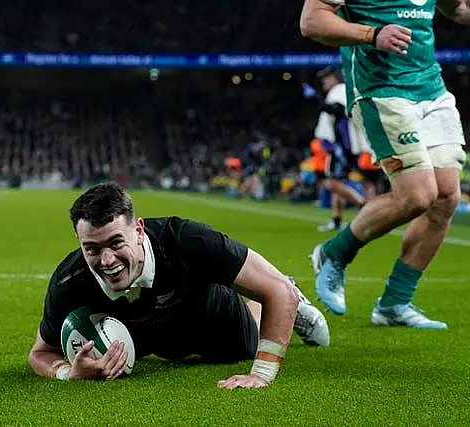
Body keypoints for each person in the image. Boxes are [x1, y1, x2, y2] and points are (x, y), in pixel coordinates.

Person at [29, 183, 330, 388]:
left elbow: (278, 293)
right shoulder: (69, 280)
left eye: (116, 242)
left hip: (208, 314)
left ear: (138, 230)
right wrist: (69, 372)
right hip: (146, 334)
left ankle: (279, 302)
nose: (106, 260)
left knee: (247, 340)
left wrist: (261, 375)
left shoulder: (186, 240)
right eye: (91, 248)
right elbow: (40, 353)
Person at [300, 0, 468, 327]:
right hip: (381, 88)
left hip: (431, 89)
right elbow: (311, 21)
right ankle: (333, 253)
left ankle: (394, 303)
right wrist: (372, 34)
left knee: (446, 197)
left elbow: (457, 8)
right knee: (417, 195)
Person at [312, 67, 366, 232]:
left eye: (327, 78)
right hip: (342, 144)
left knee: (331, 183)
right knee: (338, 182)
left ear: (335, 78)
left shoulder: (340, 90)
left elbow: (339, 111)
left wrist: (317, 100)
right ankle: (336, 219)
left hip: (340, 144)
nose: (324, 81)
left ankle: (364, 206)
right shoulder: (339, 91)